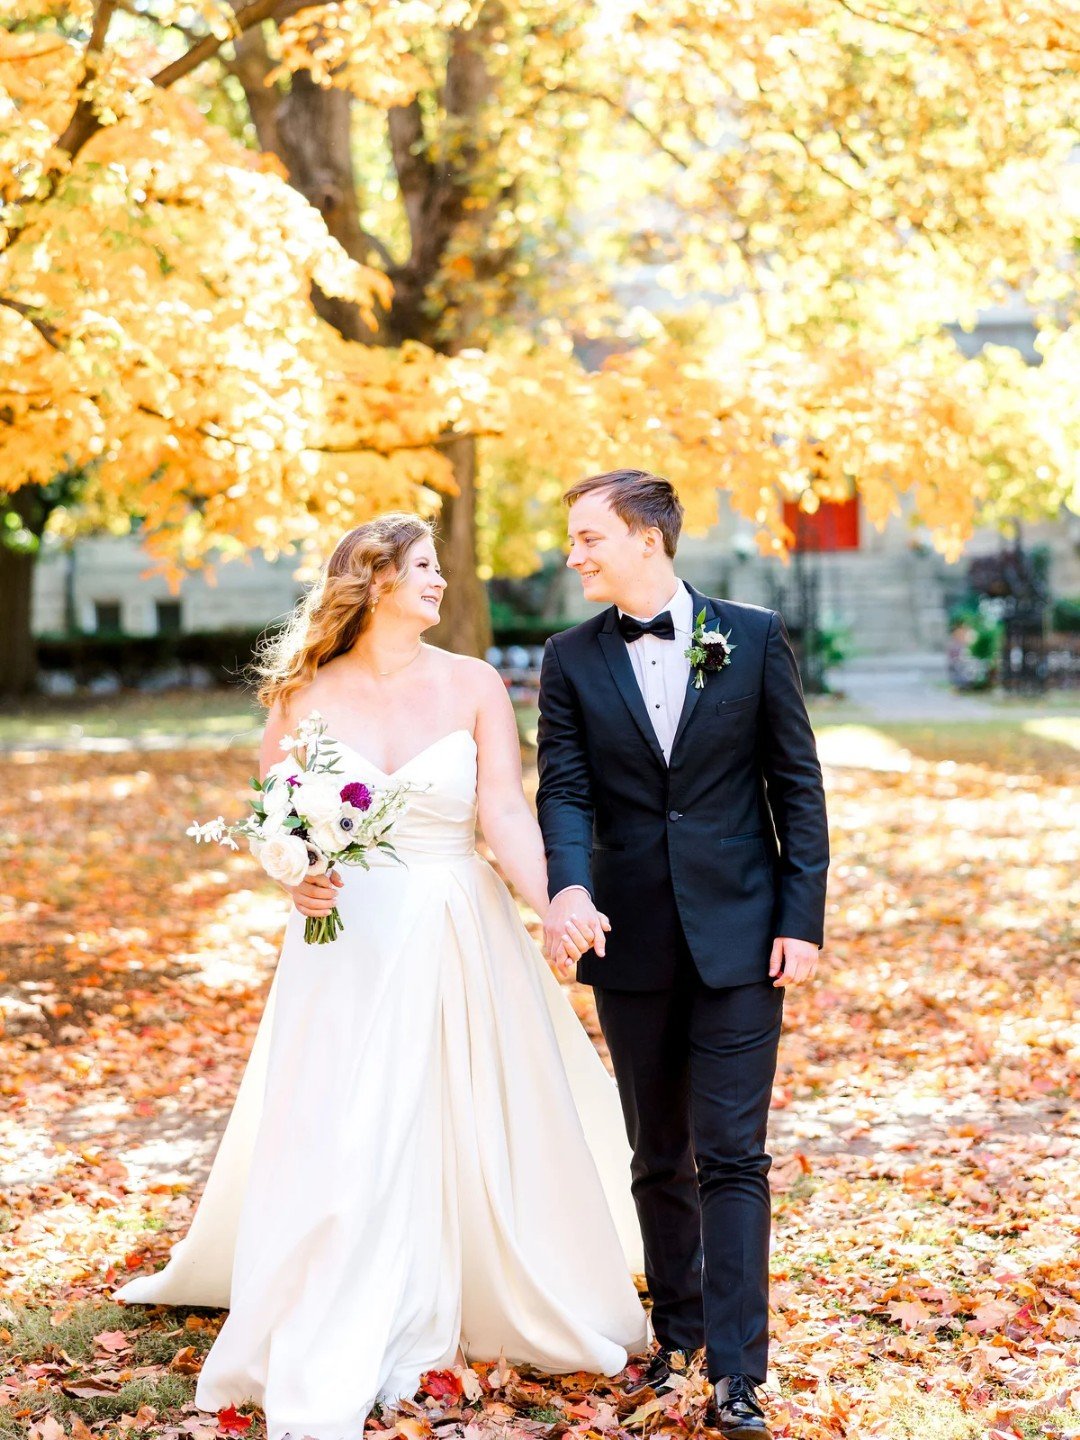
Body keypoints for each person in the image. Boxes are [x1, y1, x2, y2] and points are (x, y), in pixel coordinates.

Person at [114, 513, 647, 1440]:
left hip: (456, 924)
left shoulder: (474, 683)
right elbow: (272, 821)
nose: (442, 583)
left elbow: (503, 815)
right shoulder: (304, 692)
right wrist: (294, 872)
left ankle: (478, 1276)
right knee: (350, 1117)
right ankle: (341, 1289)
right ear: (375, 581)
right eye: (425, 569)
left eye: (440, 567)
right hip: (347, 936)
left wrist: (555, 901)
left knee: (454, 1107)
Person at [536, 470, 829, 1440]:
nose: (574, 554)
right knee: (659, 1154)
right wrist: (568, 886)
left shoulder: (752, 637)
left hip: (746, 937)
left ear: (647, 541)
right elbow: (566, 790)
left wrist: (802, 920)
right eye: (573, 540)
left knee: (734, 1157)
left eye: (589, 537)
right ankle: (681, 1334)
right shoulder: (570, 658)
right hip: (630, 938)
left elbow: (798, 789)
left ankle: (740, 1374)